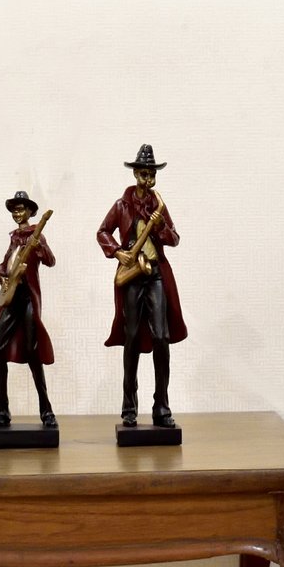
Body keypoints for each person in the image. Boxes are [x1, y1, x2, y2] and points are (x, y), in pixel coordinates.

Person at [97, 146, 186, 426]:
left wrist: (159, 226)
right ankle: (129, 406)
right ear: (135, 174)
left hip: (155, 274)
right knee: (132, 337)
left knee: (161, 336)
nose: (148, 179)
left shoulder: (158, 205)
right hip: (132, 275)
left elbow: (174, 239)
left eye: (152, 174)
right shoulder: (121, 205)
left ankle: (162, 406)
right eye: (144, 174)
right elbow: (102, 231)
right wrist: (117, 252)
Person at [0, 191, 57, 429]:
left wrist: (39, 247)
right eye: (14, 210)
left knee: (33, 351)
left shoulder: (36, 235)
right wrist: (1, 276)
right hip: (11, 298)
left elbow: (50, 260)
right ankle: (2, 410)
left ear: (30, 212)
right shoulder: (15, 238)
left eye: (21, 209)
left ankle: (46, 410)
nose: (17, 213)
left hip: (27, 298)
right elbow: (6, 263)